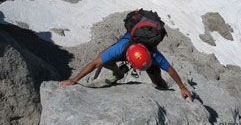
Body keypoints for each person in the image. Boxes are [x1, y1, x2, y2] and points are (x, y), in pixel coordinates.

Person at [60, 32, 193, 101]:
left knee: (156, 78)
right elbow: (95, 63)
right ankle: (118, 73)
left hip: (142, 57)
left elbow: (169, 69)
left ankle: (162, 86)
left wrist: (182, 87)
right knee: (103, 58)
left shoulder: (153, 55)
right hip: (125, 50)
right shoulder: (119, 49)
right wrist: (74, 80)